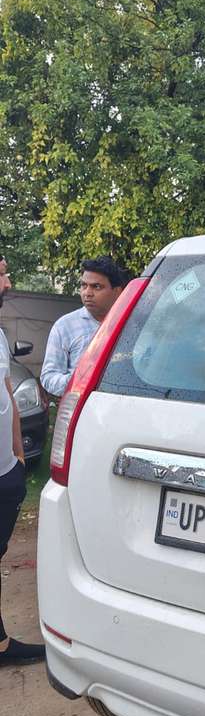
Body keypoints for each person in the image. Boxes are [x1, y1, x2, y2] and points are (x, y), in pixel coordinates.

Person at [0, 255, 45, 666]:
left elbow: (7, 393)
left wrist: (17, 455)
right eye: (0, 272)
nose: (9, 281)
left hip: (5, 472)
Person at [41, 256, 124, 397]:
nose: (87, 293)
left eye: (96, 287)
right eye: (84, 285)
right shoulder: (65, 326)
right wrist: (79, 381)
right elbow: (48, 377)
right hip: (82, 411)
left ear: (117, 291)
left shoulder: (130, 323)